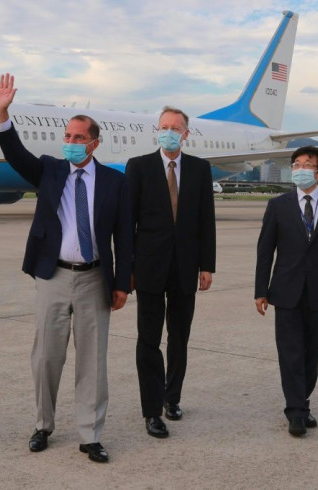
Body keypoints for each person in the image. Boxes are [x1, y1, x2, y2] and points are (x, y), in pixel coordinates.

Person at [0, 73, 132, 463]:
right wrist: (2, 114)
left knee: (93, 360)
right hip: (53, 276)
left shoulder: (114, 183)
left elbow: (125, 237)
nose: (70, 143)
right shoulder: (50, 171)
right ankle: (43, 425)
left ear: (94, 143)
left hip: (96, 277)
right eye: (67, 137)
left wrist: (122, 284)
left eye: (78, 138)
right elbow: (16, 154)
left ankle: (90, 434)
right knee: (47, 356)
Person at [126, 107, 216, 439]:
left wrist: (207, 265)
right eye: (164, 127)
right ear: (157, 131)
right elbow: (127, 224)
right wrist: (128, 269)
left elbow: (206, 220)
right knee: (148, 340)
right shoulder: (139, 167)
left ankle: (172, 397)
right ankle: (151, 411)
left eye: (175, 128)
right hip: (148, 269)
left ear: (186, 134)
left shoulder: (199, 169)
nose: (169, 132)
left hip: (185, 269)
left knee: (179, 337)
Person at [254, 145, 318, 437]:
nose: (299, 169)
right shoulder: (278, 205)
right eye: (295, 165)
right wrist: (261, 290)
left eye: (306, 165)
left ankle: (302, 400)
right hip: (285, 292)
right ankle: (296, 411)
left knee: (311, 355)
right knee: (290, 353)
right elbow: (265, 251)